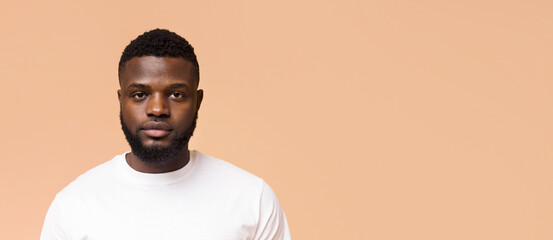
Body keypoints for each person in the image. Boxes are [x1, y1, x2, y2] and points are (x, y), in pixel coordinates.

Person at [40, 29, 291, 240]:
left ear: (197, 101)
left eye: (176, 94)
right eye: (140, 94)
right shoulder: (73, 206)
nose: (157, 109)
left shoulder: (252, 199)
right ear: (121, 100)